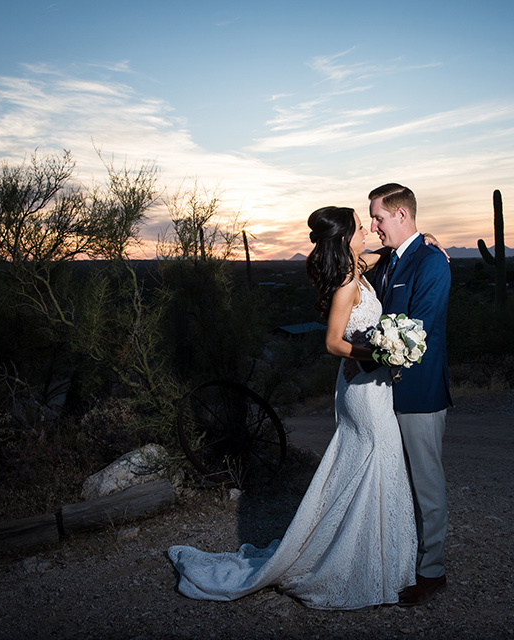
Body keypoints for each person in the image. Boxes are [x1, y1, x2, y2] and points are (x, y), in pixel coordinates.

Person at [168, 206, 417, 610]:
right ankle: (351, 563)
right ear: (344, 238)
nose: (368, 232)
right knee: (376, 457)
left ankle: (380, 559)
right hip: (362, 389)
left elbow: (388, 254)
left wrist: (424, 242)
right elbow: (334, 343)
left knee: (377, 463)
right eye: (359, 228)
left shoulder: (358, 267)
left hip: (372, 385)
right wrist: (379, 353)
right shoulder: (345, 286)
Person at [363, 183, 452, 606]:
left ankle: (432, 571)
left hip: (419, 390)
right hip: (382, 393)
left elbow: (416, 333)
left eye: (378, 218)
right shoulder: (387, 262)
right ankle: (399, 561)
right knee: (395, 482)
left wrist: (361, 357)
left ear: (401, 215)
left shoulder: (432, 264)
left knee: (426, 483)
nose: (374, 227)